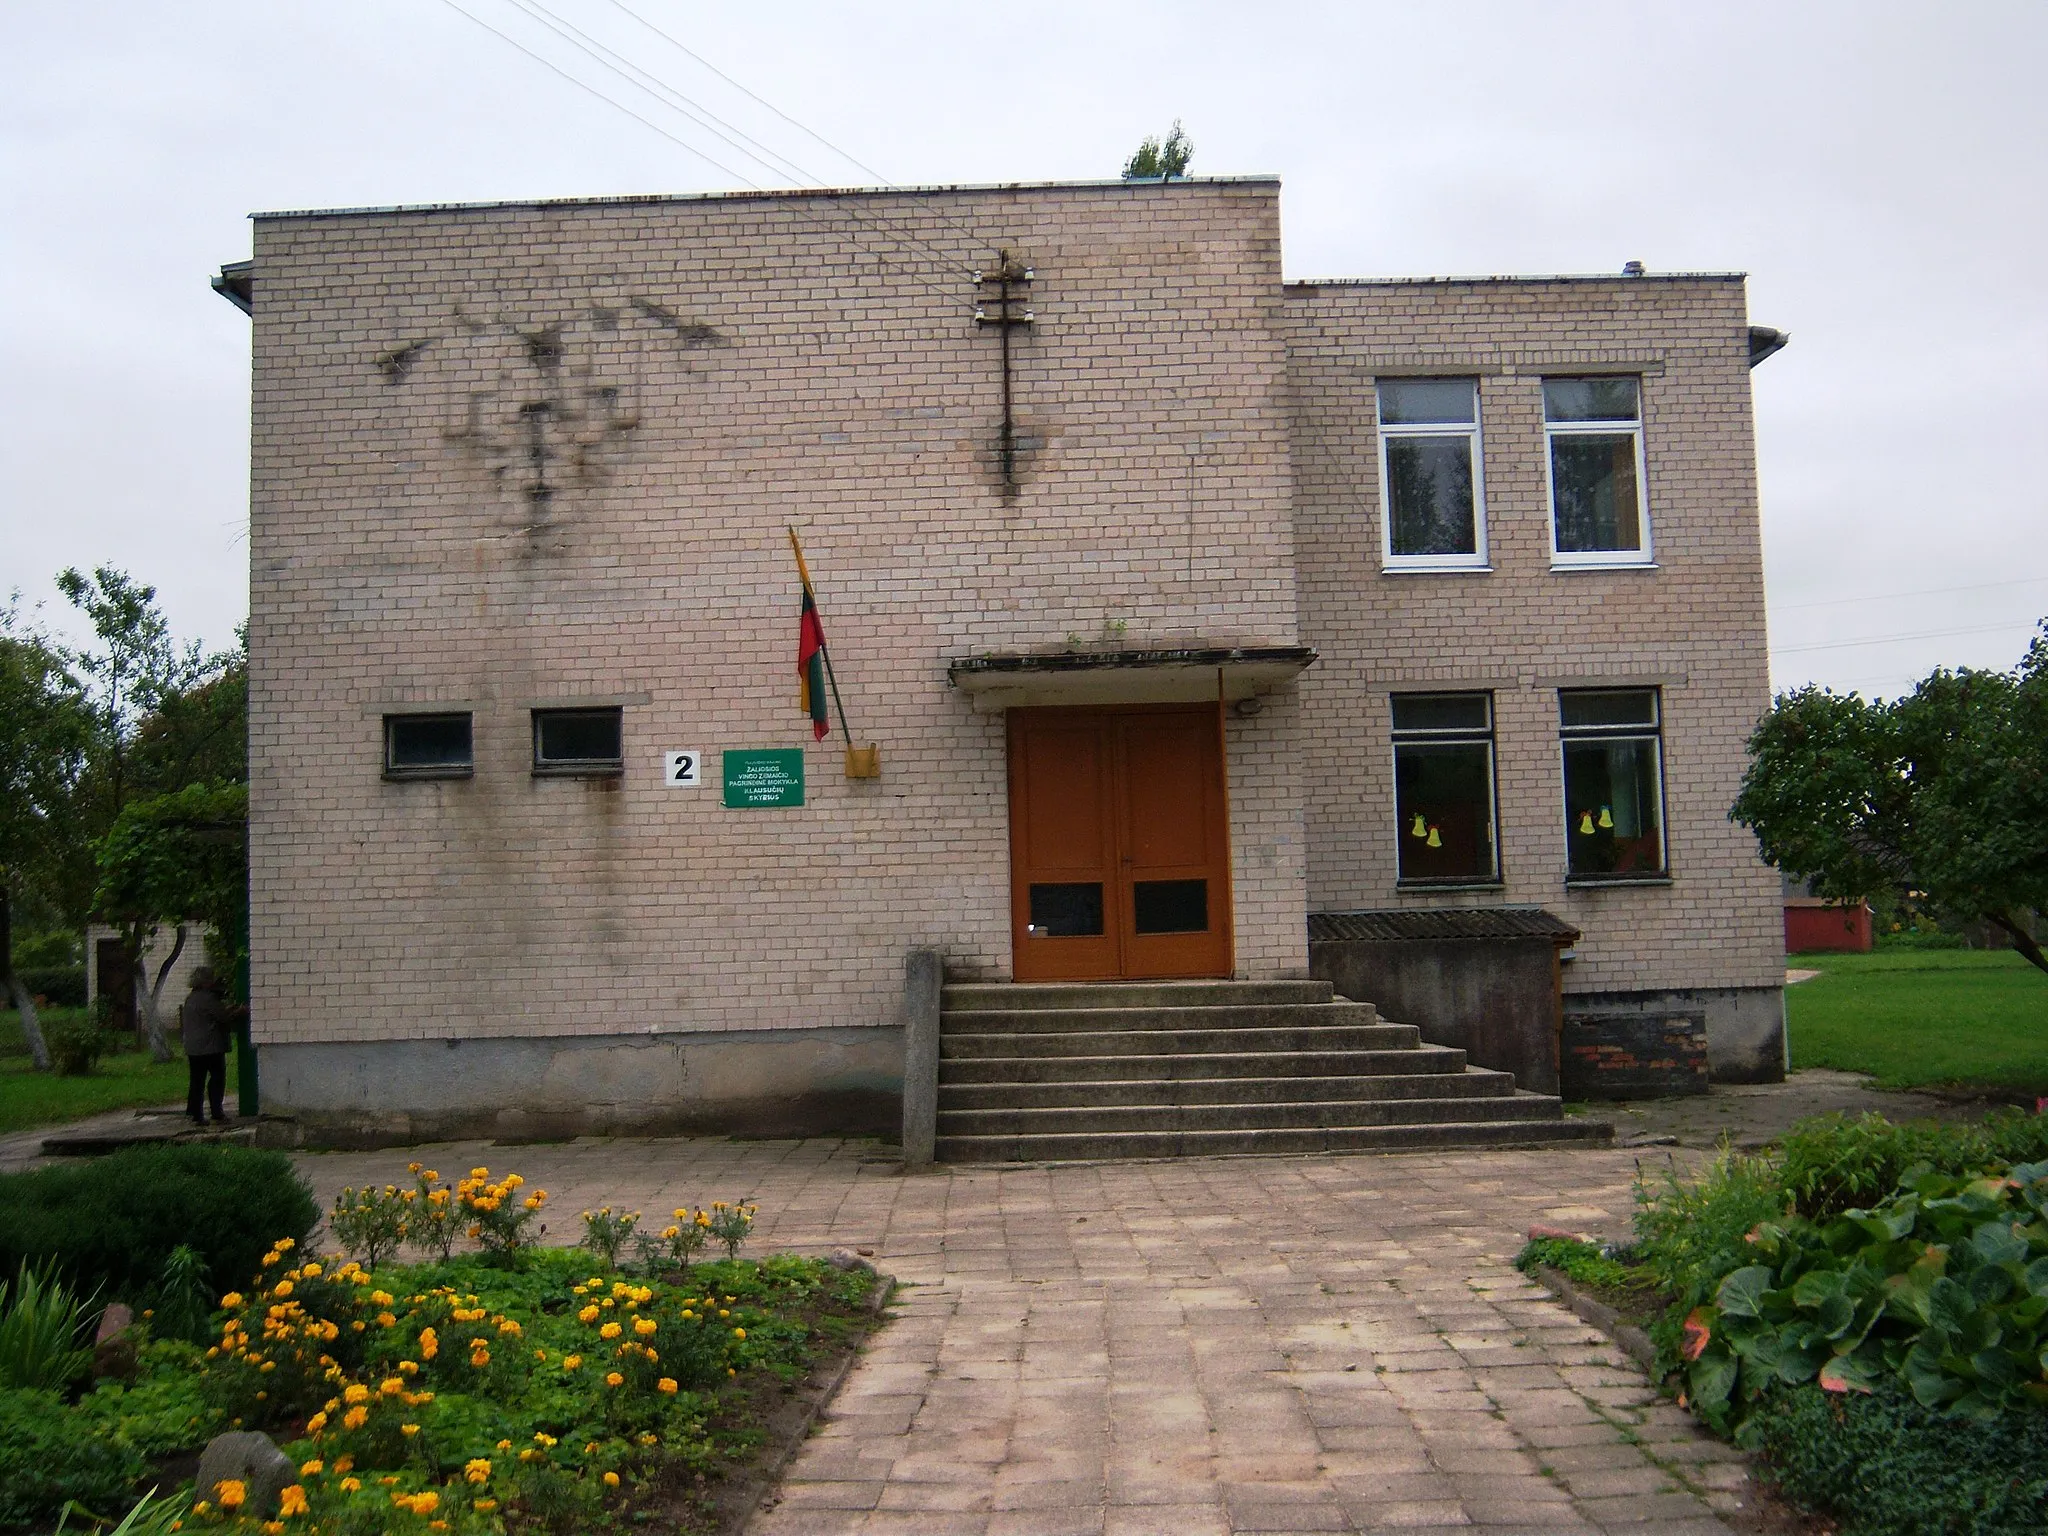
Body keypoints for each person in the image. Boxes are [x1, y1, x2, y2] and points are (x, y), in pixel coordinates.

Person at [179, 966, 233, 1127]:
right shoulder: (209, 998)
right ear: (205, 982)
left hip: (193, 1048)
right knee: (217, 1079)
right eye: (210, 979)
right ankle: (217, 1112)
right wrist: (237, 1011)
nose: (212, 981)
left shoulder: (191, 998)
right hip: (211, 1047)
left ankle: (195, 1114)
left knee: (197, 1081)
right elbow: (223, 1017)